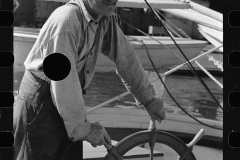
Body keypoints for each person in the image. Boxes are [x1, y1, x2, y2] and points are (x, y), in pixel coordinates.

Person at [13, 0, 166, 159]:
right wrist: (84, 128)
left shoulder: (104, 19)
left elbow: (125, 58)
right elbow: (63, 81)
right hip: (40, 105)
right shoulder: (66, 22)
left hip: (67, 100)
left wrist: (148, 99)